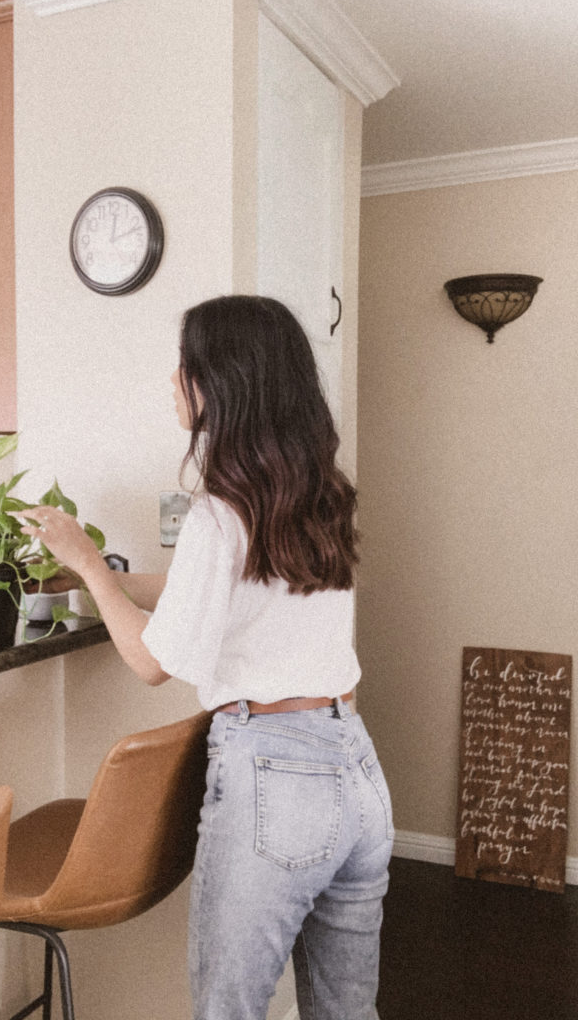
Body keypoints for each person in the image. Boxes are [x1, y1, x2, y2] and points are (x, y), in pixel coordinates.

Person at [20, 294, 393, 1020]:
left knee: (229, 1010)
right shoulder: (315, 495)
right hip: (355, 767)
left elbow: (152, 662)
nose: (173, 379)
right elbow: (218, 591)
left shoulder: (220, 511)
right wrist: (111, 580)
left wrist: (90, 565)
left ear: (223, 381)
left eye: (185, 364)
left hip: (275, 780)